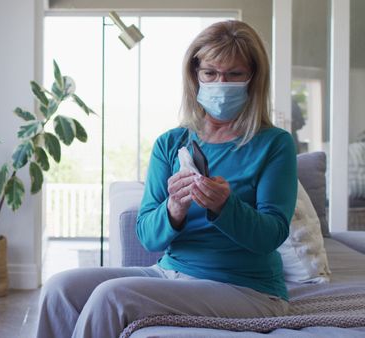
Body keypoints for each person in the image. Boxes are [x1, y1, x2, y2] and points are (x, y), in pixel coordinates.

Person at [36, 20, 297, 338]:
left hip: (247, 288)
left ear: (254, 78)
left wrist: (225, 207)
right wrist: (174, 206)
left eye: (234, 74)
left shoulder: (274, 143)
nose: (220, 83)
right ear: (195, 75)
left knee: (111, 297)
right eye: (211, 73)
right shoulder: (172, 143)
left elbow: (271, 235)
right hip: (171, 272)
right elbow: (149, 237)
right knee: (59, 288)